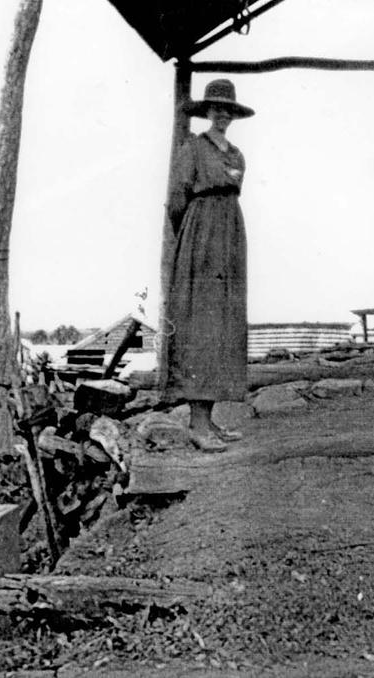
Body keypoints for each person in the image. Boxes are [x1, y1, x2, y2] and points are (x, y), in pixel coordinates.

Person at [164, 79, 254, 452]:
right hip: (201, 235)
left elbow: (233, 188)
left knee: (223, 324)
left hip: (230, 234)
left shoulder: (236, 154)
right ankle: (196, 424)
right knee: (200, 324)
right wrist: (192, 238)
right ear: (207, 112)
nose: (222, 114)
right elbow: (176, 200)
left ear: (233, 115)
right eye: (216, 108)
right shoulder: (193, 149)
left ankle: (210, 419)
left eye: (227, 109)